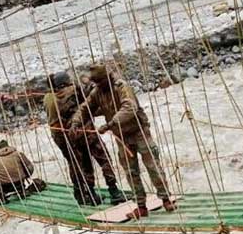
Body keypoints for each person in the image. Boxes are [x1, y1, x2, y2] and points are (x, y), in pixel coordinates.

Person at [70, 64, 175, 219]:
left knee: (153, 166)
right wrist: (76, 122)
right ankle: (140, 206)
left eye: (99, 82)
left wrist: (110, 124)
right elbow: (85, 108)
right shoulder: (97, 92)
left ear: (107, 79)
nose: (97, 86)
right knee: (131, 172)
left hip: (139, 132)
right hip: (122, 137)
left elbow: (129, 107)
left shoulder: (122, 87)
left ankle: (166, 199)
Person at [44, 73, 124, 206]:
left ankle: (89, 194)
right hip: (85, 131)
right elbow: (91, 99)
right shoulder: (74, 90)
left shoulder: (48, 98)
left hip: (65, 137)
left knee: (80, 164)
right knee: (103, 158)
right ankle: (114, 190)